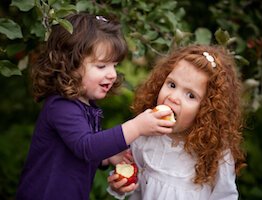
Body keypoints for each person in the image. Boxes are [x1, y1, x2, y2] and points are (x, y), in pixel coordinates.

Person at [16, 13, 175, 200]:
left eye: (114, 65)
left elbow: (77, 149)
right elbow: (87, 146)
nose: (113, 74)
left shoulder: (86, 105)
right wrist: (137, 127)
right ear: (69, 64)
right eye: (102, 66)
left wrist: (107, 158)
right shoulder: (60, 106)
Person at [107, 44, 246, 200]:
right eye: (172, 85)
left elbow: (225, 196)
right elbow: (138, 185)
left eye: (191, 95)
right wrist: (121, 186)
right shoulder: (145, 136)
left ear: (207, 110)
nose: (173, 97)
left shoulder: (215, 154)